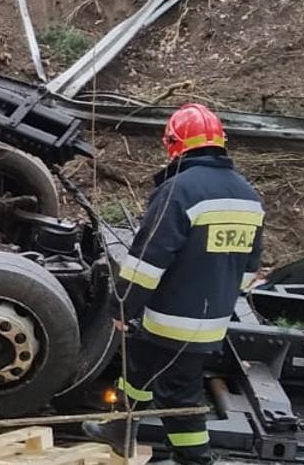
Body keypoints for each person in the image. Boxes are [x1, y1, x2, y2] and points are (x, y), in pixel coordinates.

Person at [85, 103, 264, 465]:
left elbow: (147, 261)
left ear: (174, 144)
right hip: (211, 319)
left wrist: (122, 307)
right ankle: (120, 429)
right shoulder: (249, 196)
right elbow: (249, 270)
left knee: (179, 394)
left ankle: (194, 459)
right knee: (137, 366)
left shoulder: (179, 190)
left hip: (172, 317)